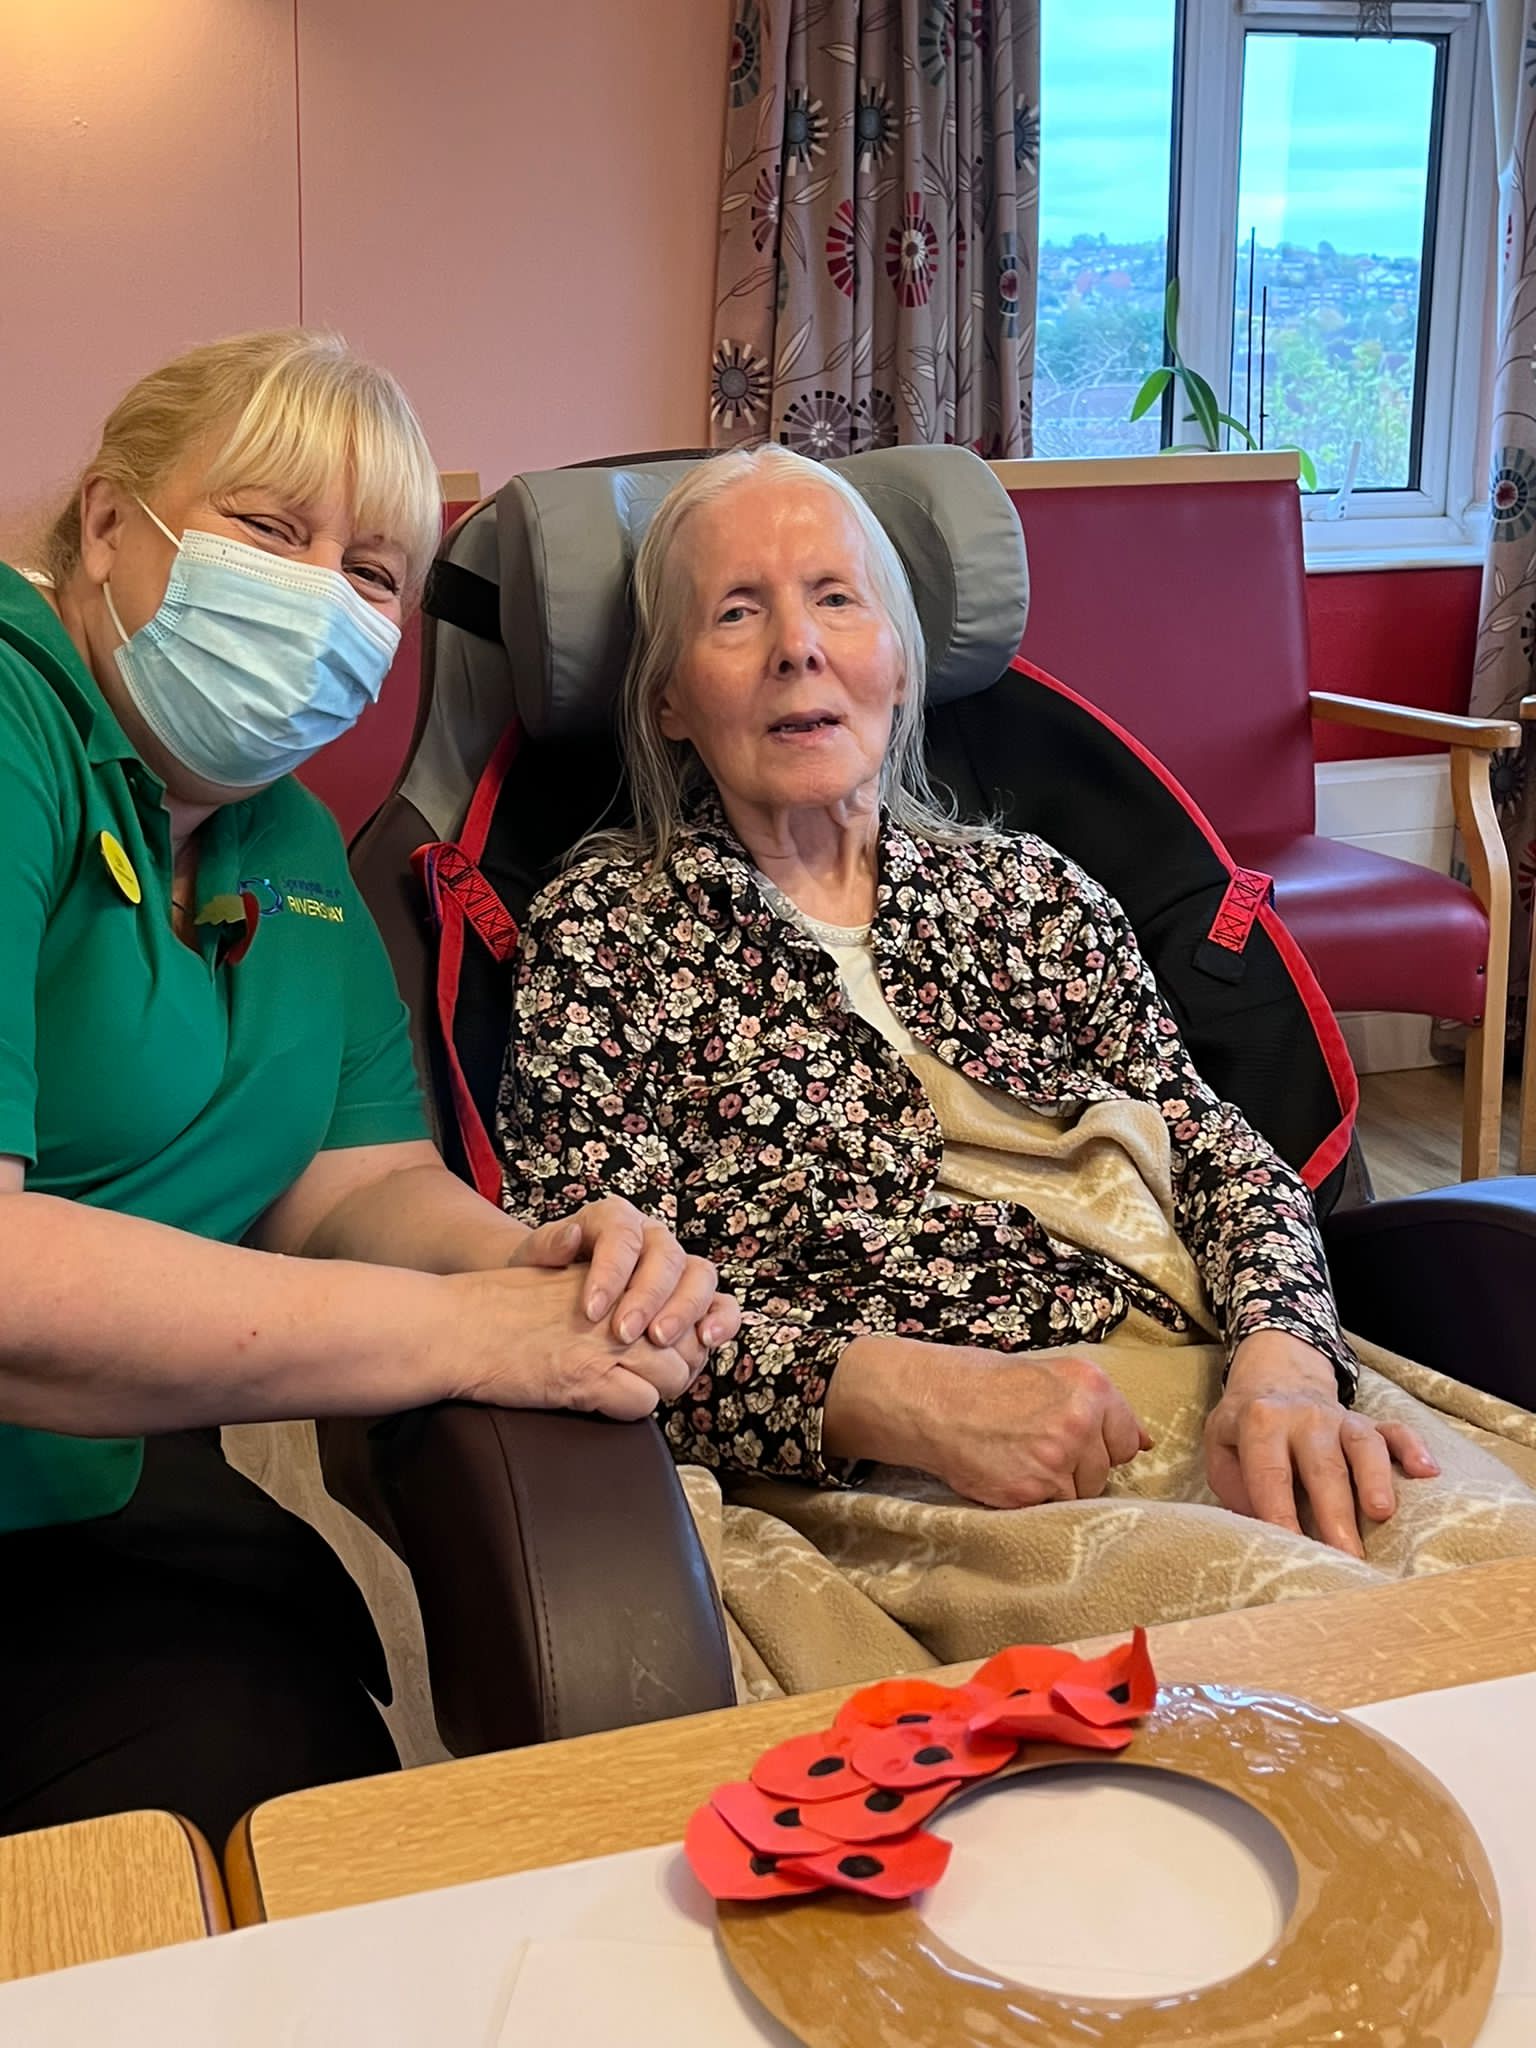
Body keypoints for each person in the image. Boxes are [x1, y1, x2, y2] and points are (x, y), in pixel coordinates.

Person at [0, 330, 737, 1846]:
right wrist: (471, 1333)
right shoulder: (16, 731)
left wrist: (538, 1263)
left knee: (286, 1796)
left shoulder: (276, 837)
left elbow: (357, 1184)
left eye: (373, 572)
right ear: (107, 523)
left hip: (97, 1487)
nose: (317, 595)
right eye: (271, 528)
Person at [497, 443, 1442, 1565]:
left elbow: (1221, 1157)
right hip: (909, 1485)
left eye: (836, 598)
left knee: (1467, 1560)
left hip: (1221, 1384)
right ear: (668, 699)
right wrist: (892, 1399)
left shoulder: (1032, 892)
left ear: (901, 663)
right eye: (737, 613)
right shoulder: (608, 935)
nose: (798, 646)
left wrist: (1285, 1366)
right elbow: (593, 1315)